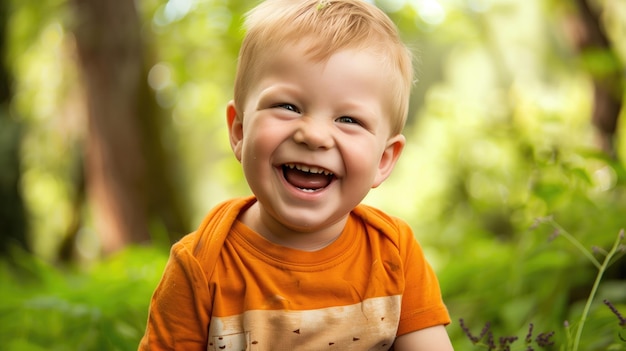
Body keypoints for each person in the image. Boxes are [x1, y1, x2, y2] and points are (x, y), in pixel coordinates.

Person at [139, 0, 453, 349]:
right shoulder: (200, 266)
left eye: (349, 120)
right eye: (287, 107)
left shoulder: (394, 253)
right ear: (240, 131)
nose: (314, 135)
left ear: (383, 159)